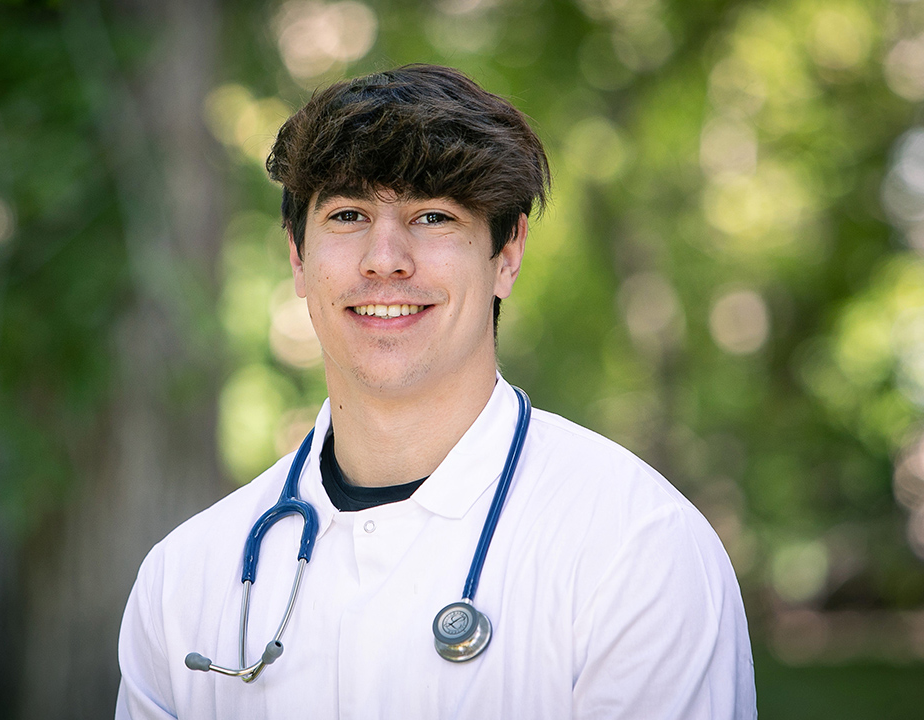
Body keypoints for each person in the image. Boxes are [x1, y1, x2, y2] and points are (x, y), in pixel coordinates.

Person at [115, 64, 756, 719]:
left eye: (431, 216)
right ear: (299, 258)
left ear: (506, 254)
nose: (384, 257)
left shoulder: (637, 551)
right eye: (347, 214)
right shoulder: (183, 582)